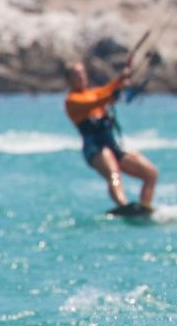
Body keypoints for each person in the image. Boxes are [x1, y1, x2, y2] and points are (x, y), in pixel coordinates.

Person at [64, 59, 159, 212]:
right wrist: (113, 94)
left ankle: (144, 208)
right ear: (69, 79)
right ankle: (123, 205)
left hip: (112, 145)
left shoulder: (94, 92)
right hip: (95, 148)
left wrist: (122, 78)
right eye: (76, 75)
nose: (80, 77)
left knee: (150, 173)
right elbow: (96, 101)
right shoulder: (72, 101)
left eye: (82, 73)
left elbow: (108, 90)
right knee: (113, 173)